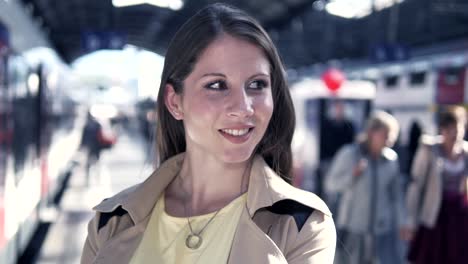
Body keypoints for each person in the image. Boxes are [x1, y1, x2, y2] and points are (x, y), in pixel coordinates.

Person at [81, 3, 336, 264]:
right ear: (175, 102)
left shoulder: (301, 224)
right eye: (217, 85)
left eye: (257, 84)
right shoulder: (110, 222)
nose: (243, 108)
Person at [325, 111, 405, 264]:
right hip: (353, 227)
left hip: (381, 229)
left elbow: (396, 195)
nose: (389, 140)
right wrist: (352, 175)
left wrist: (402, 222)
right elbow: (331, 184)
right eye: (385, 135)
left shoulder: (391, 159)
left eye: (392, 136)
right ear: (371, 133)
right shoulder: (350, 154)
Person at [403, 106, 468, 264]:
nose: (454, 134)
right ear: (442, 129)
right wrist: (410, 220)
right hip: (434, 213)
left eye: (457, 128)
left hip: (460, 214)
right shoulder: (429, 149)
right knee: (433, 256)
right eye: (449, 129)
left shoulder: (466, 152)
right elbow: (416, 185)